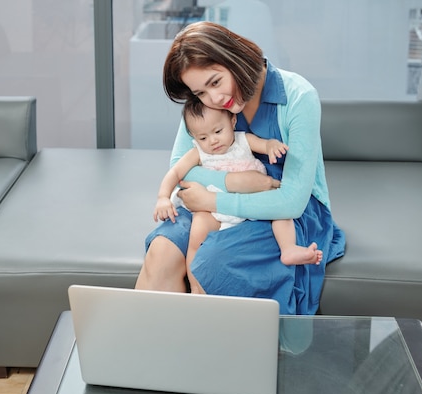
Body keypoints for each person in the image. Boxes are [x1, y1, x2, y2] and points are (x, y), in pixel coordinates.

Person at [135, 21, 345, 315]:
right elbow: (182, 167)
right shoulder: (207, 101)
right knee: (162, 251)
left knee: (213, 261)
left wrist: (216, 198)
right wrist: (236, 183)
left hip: (281, 212)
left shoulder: (299, 96)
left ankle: (210, 354)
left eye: (215, 82)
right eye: (200, 93)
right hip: (212, 204)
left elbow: (292, 200)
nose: (214, 99)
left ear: (235, 57)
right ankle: (145, 354)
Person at [153, 98, 323, 289]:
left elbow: (264, 145)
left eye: (218, 131)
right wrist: (162, 198)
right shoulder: (198, 152)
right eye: (203, 137)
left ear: (232, 122)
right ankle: (195, 285)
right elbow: (175, 172)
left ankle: (288, 248)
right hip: (210, 207)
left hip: (251, 199)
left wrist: (273, 147)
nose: (213, 141)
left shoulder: (243, 140)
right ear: (194, 137)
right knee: (197, 234)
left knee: (280, 214)